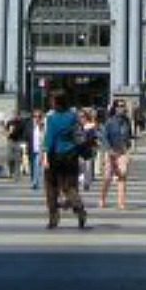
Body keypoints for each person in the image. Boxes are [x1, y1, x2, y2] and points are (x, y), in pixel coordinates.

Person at [42, 89, 88, 230]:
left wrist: (45, 157)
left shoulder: (52, 118)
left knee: (51, 187)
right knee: (69, 186)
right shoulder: (73, 117)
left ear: (55, 102)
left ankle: (53, 218)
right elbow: (79, 135)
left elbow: (49, 140)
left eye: (52, 100)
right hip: (71, 155)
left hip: (55, 156)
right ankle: (78, 206)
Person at [99, 101, 133, 210]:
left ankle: (121, 202)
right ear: (115, 108)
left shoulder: (127, 121)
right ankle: (102, 198)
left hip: (122, 152)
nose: (122, 108)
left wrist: (129, 150)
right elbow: (104, 137)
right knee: (107, 177)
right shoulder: (110, 122)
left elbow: (129, 137)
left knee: (122, 175)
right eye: (120, 106)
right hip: (111, 152)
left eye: (123, 106)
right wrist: (109, 150)